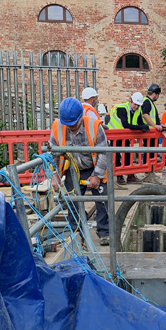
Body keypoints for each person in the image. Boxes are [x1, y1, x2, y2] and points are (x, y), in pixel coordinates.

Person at [50, 97, 110, 245]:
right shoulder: (58, 127)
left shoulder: (94, 126)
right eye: (68, 124)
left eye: (74, 124)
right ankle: (77, 234)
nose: (70, 127)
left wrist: (97, 175)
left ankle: (104, 232)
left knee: (102, 200)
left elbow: (104, 153)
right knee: (74, 201)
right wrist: (55, 175)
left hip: (94, 167)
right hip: (72, 169)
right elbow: (53, 154)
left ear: (81, 117)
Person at [107, 91, 144, 184]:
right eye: (135, 104)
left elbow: (140, 123)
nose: (136, 107)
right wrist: (141, 127)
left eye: (138, 105)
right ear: (131, 101)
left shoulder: (138, 110)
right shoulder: (122, 109)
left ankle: (129, 175)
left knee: (128, 154)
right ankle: (119, 176)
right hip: (115, 135)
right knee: (116, 155)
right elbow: (126, 124)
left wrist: (144, 127)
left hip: (125, 136)